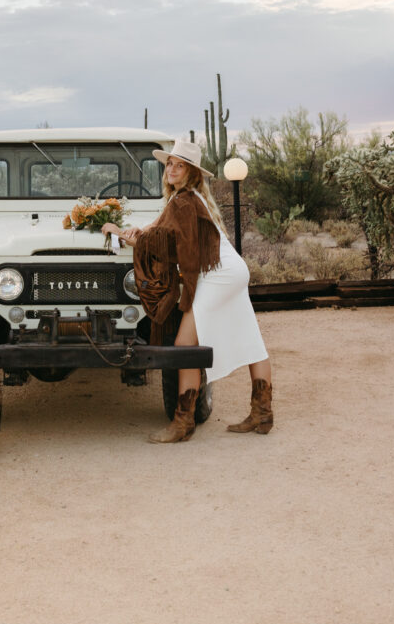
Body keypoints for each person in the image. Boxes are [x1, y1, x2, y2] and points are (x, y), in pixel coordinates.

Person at [101, 139, 272, 443]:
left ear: (191, 173)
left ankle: (183, 423)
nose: (172, 169)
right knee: (250, 338)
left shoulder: (183, 201)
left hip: (218, 274)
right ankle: (263, 413)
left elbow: (161, 245)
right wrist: (129, 232)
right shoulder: (187, 199)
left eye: (180, 165)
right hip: (230, 270)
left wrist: (121, 235)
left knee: (184, 345)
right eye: (169, 164)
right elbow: (157, 232)